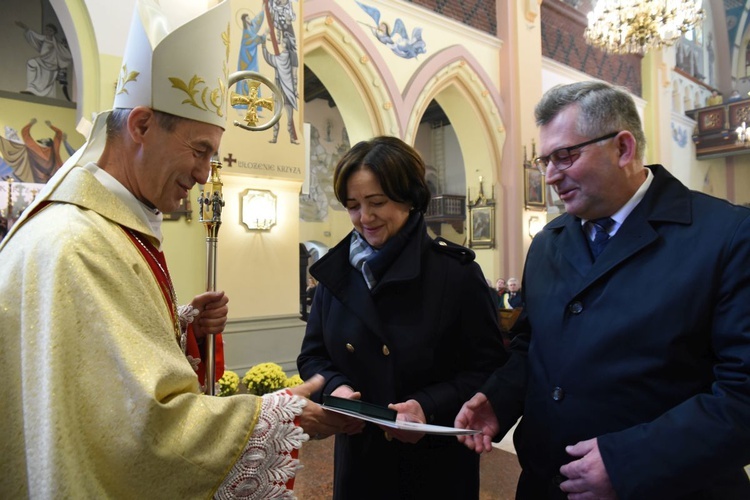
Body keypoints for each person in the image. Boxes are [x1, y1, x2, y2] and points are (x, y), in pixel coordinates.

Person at [0, 1, 361, 497]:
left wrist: (182, 320)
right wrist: (280, 411)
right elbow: (144, 433)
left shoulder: (97, 228)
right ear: (142, 125)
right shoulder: (78, 245)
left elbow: (98, 367)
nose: (203, 173)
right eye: (200, 151)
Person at [456, 81, 750, 499]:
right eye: (545, 161)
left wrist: (631, 460)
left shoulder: (727, 236)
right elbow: (531, 345)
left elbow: (742, 395)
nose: (551, 175)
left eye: (564, 156)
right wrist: (500, 398)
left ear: (623, 148)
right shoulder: (548, 242)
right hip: (546, 487)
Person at [298, 136, 507, 499]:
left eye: (377, 202)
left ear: (409, 197)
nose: (365, 218)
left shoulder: (454, 274)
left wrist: (427, 405)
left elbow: (488, 368)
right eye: (353, 205)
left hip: (433, 467)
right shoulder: (336, 273)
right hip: (360, 463)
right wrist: (339, 390)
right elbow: (313, 355)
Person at [15, 21, 72, 99]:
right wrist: (26, 28)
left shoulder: (57, 44)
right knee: (31, 63)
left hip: (51, 65)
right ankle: (31, 88)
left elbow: (66, 54)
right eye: (47, 30)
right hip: (42, 61)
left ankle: (39, 91)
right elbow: (34, 35)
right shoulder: (43, 38)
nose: (48, 32)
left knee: (34, 66)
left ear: (53, 32)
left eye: (50, 30)